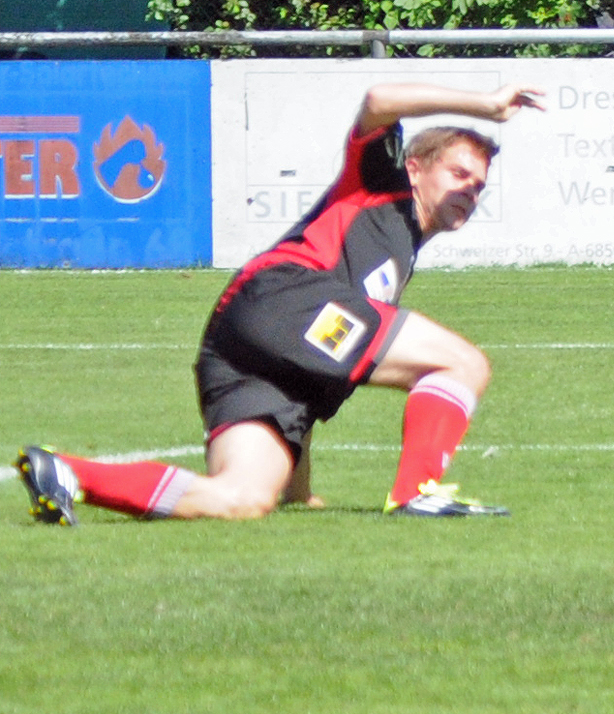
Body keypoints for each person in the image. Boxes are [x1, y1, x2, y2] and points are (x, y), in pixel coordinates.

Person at [16, 81, 544, 524]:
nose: (469, 191)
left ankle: (67, 474)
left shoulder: (400, 245)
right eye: (458, 174)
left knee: (241, 499)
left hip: (237, 345)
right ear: (415, 168)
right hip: (282, 294)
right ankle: (418, 492)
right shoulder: (382, 184)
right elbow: (379, 98)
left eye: (478, 187)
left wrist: (299, 491)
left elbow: (307, 367)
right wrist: (485, 106)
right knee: (462, 364)